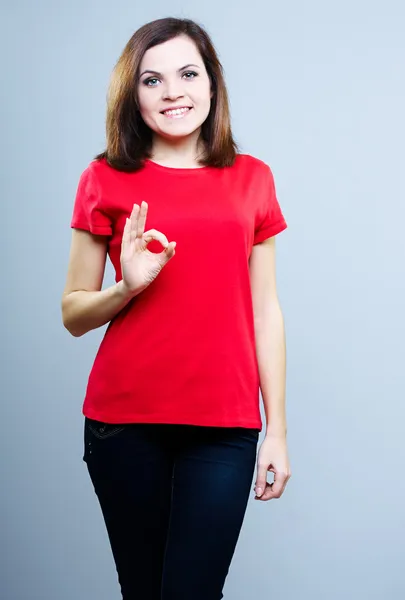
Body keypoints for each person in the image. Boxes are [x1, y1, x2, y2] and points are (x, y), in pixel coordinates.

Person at [61, 16, 291, 600]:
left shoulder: (252, 179)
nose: (173, 93)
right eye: (152, 80)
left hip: (225, 426)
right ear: (132, 96)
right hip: (123, 423)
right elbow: (73, 315)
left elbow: (265, 310)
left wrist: (278, 431)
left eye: (188, 74)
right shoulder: (103, 178)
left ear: (211, 84)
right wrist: (126, 287)